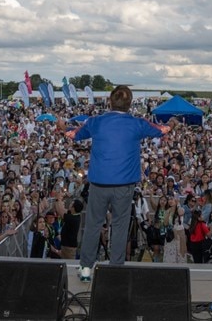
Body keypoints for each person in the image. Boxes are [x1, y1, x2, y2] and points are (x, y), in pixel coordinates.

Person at [60, 85, 177, 282]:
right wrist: (172, 124)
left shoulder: (96, 122)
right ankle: (115, 268)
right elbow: (161, 130)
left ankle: (86, 269)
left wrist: (63, 128)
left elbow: (73, 134)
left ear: (109, 102)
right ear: (130, 105)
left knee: (93, 226)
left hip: (98, 184)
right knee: (120, 225)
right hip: (124, 186)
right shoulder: (137, 123)